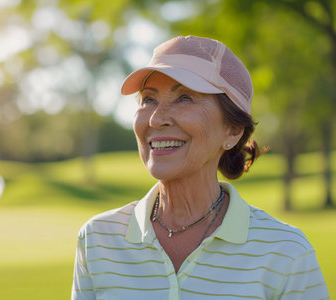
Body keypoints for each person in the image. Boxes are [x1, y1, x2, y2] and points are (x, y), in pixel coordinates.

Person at [71, 35, 329, 299]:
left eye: (184, 98)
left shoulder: (286, 252)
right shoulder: (97, 239)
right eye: (149, 100)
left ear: (232, 130)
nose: (157, 119)